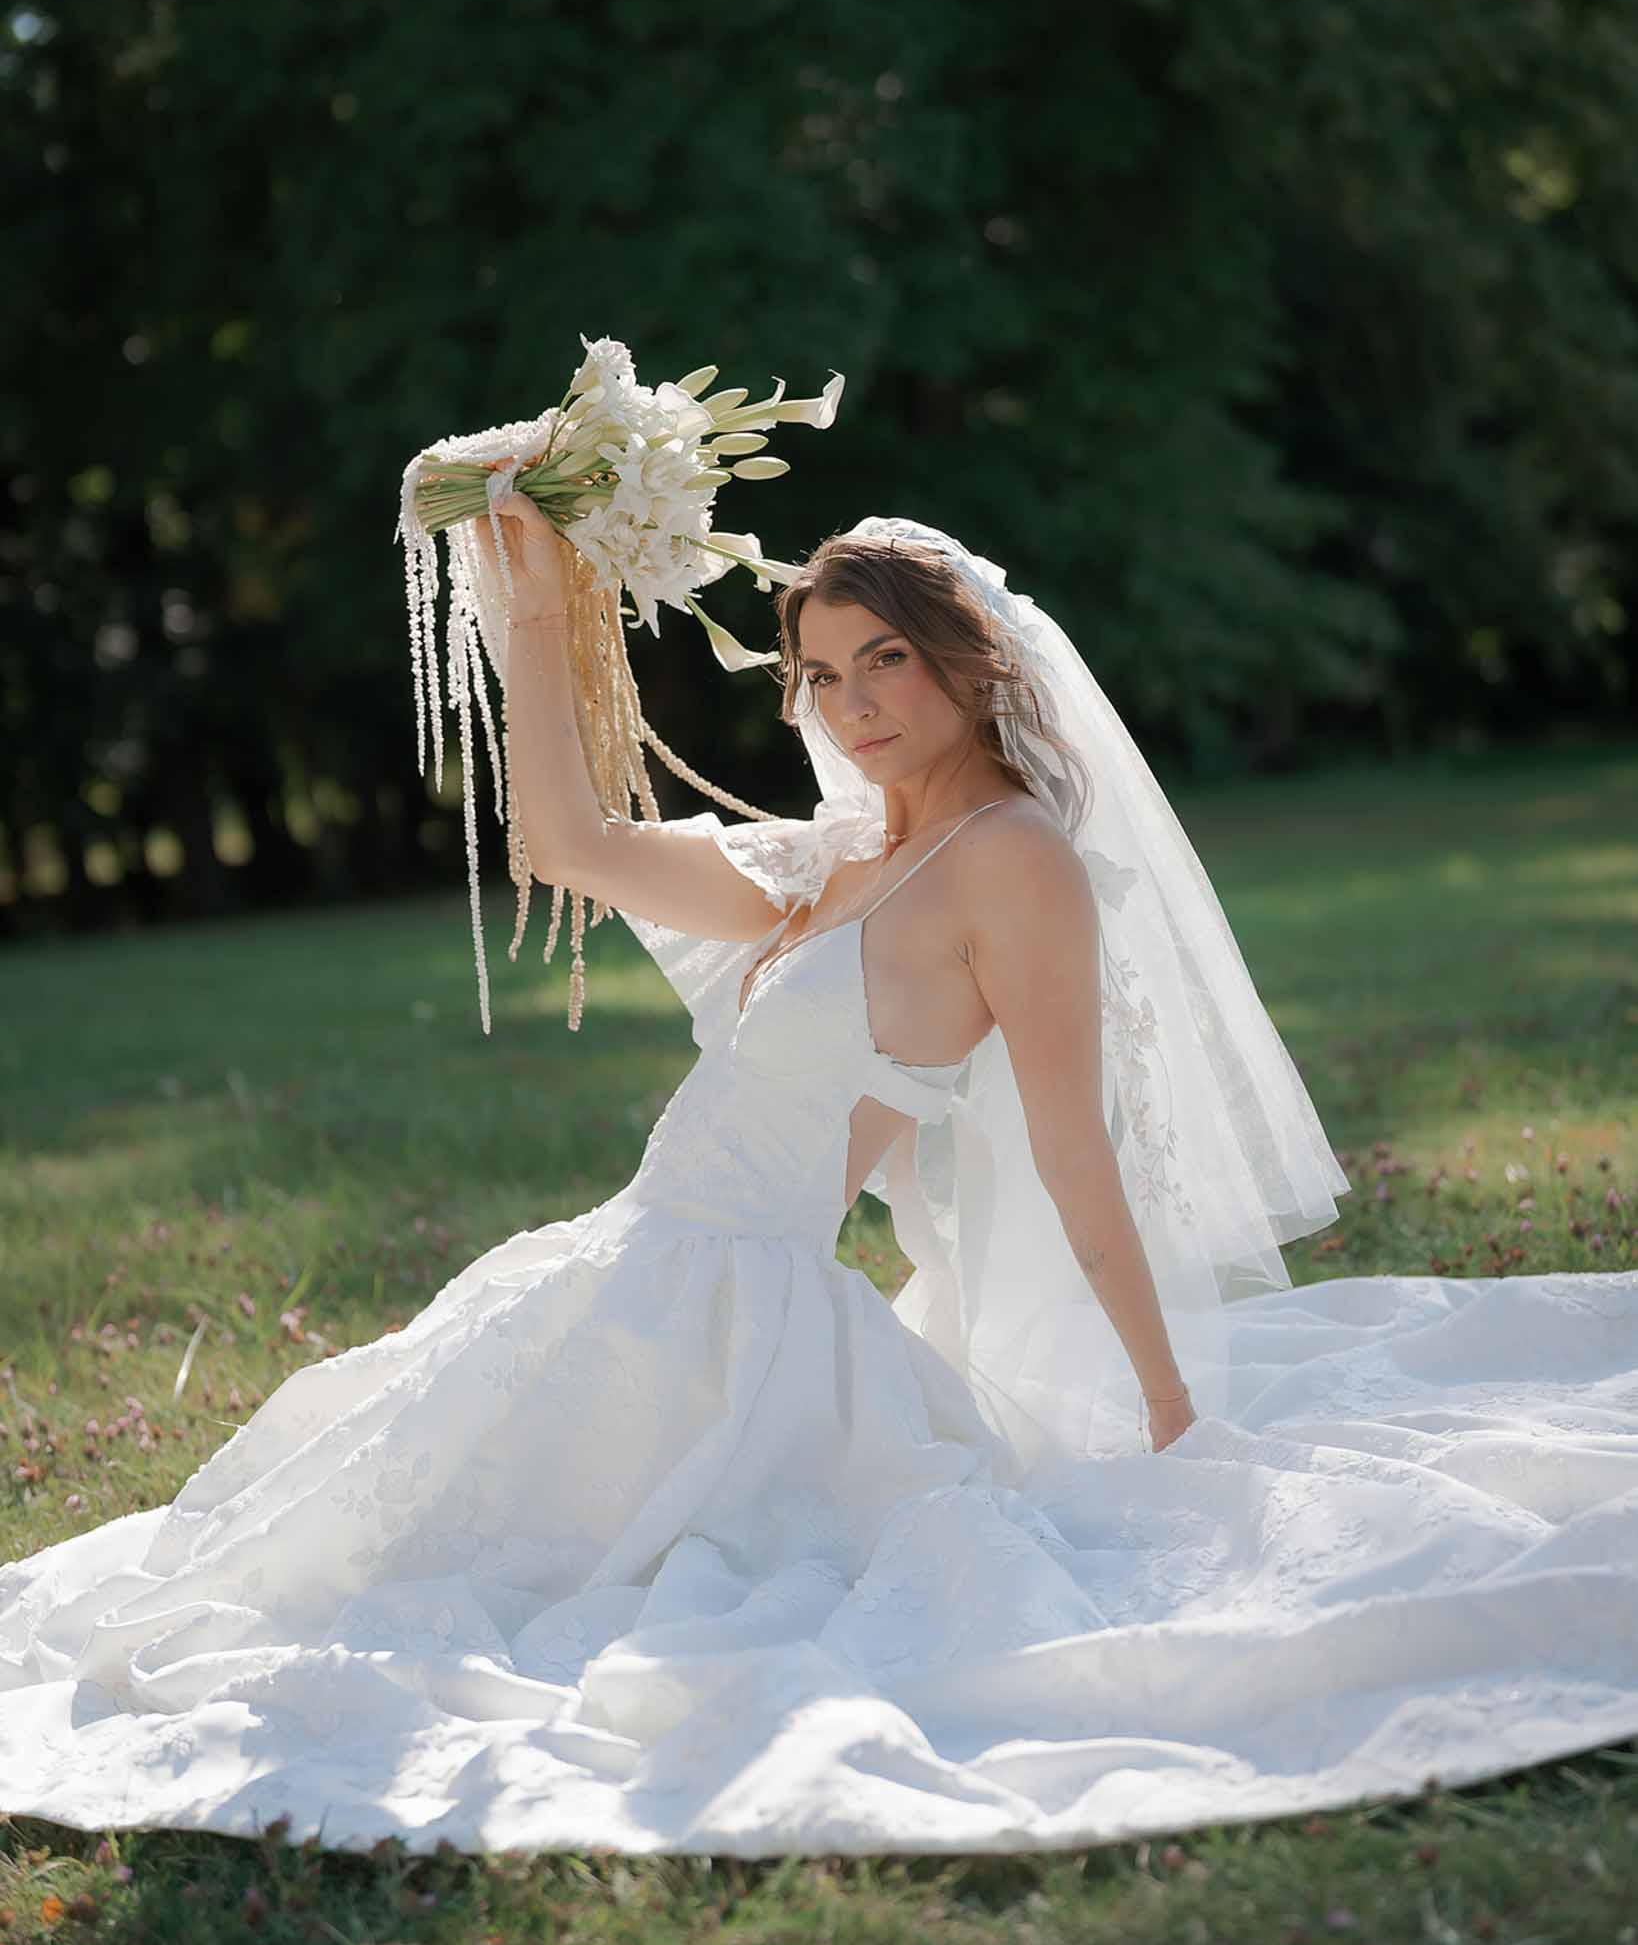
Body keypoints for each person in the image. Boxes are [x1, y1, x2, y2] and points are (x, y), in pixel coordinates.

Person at [1, 498, 1633, 1861]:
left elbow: (1074, 1146)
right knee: (338, 1542)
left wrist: (1162, 1394)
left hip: (749, 1316)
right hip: (630, 1265)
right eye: (823, 673)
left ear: (970, 661)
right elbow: (564, 846)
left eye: (887, 662)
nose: (853, 704)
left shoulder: (1015, 869)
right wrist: (527, 596)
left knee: (532, 1590)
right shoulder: (836, 853)